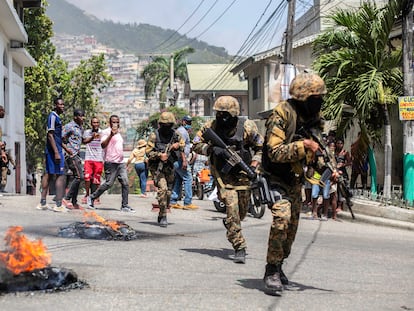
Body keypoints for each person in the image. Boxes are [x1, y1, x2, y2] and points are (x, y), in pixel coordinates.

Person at [261, 73, 328, 294]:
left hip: (295, 181)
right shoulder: (282, 113)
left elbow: (319, 155)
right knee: (282, 219)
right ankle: (271, 270)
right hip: (275, 178)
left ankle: (279, 264)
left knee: (291, 230)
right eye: (315, 97)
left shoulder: (314, 120)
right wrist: (304, 145)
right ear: (303, 97)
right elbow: (274, 152)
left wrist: (330, 172)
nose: (319, 102)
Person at [192, 96, 263, 264]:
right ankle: (239, 246)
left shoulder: (247, 127)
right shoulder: (210, 127)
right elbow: (195, 144)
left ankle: (231, 223)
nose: (222, 118)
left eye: (226, 114)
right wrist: (210, 149)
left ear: (234, 114)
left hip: (243, 174)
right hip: (222, 175)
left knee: (242, 212)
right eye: (219, 114)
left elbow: (261, 147)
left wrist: (254, 164)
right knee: (232, 208)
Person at [87, 115, 134, 212]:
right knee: (109, 183)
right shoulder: (106, 132)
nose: (115, 124)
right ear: (110, 123)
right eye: (113, 122)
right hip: (110, 162)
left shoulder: (119, 133)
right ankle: (92, 197)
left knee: (125, 183)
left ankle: (124, 205)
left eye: (117, 122)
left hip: (120, 162)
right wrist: (111, 135)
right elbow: (103, 145)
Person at [146, 111, 185, 227]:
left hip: (170, 166)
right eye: (164, 125)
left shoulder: (175, 134)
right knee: (162, 189)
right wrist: (159, 155)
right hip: (157, 167)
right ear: (160, 125)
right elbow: (148, 152)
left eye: (169, 125)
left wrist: (177, 146)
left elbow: (183, 143)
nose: (167, 128)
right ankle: (163, 215)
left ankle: (162, 210)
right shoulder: (155, 135)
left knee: (168, 192)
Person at [36, 98, 67, 212]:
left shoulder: (57, 117)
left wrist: (65, 149)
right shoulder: (52, 116)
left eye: (63, 104)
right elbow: (50, 135)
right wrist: (56, 152)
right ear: (55, 105)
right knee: (60, 175)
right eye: (60, 104)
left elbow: (57, 137)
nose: (62, 106)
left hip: (56, 149)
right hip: (54, 151)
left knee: (49, 174)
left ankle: (43, 202)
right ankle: (58, 204)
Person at [170, 115, 199, 210]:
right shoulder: (182, 132)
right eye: (188, 122)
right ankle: (187, 202)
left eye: (190, 122)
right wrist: (184, 160)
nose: (189, 124)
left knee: (179, 179)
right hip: (180, 159)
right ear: (183, 122)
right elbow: (181, 147)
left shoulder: (181, 131)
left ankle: (173, 201)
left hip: (177, 159)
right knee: (188, 179)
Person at [61, 109, 86, 209]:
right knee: (80, 176)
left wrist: (92, 137)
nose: (82, 118)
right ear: (75, 117)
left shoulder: (80, 128)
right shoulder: (69, 126)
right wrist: (67, 149)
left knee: (78, 177)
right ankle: (66, 198)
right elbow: (59, 139)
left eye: (83, 116)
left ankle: (74, 202)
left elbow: (83, 140)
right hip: (71, 155)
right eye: (80, 116)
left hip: (77, 154)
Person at [82, 117, 104, 205]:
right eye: (94, 122)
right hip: (88, 158)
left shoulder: (102, 133)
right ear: (91, 124)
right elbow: (84, 142)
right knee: (87, 177)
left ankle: (96, 196)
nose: (95, 124)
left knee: (96, 179)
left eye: (97, 122)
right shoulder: (87, 132)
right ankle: (87, 194)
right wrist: (92, 137)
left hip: (98, 159)